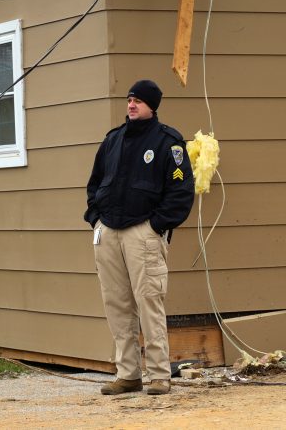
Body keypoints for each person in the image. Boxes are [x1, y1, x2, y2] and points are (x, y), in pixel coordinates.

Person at [84, 79, 194, 396]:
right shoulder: (113, 140)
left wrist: (156, 225)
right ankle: (128, 374)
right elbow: (94, 184)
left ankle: (159, 375)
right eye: (129, 99)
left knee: (149, 304)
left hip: (142, 233)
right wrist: (95, 220)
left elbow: (181, 191)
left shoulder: (168, 142)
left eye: (138, 100)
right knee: (117, 305)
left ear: (152, 106)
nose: (131, 104)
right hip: (108, 232)